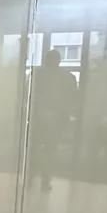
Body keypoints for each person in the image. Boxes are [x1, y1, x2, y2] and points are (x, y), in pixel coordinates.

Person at [29, 49, 78, 190]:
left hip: (39, 118)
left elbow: (30, 93)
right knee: (49, 151)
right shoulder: (68, 77)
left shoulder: (37, 75)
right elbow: (73, 99)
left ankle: (31, 178)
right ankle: (45, 180)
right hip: (57, 119)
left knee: (34, 149)